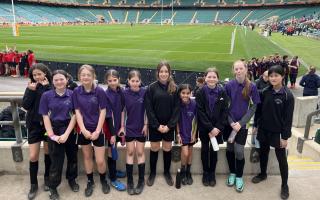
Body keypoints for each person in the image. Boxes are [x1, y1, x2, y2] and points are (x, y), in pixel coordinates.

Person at [252, 65, 294, 200]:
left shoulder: (288, 95)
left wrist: (285, 137)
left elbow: (288, 119)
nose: (273, 78)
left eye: (276, 75)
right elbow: (259, 110)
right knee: (263, 153)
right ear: (268, 77)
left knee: (282, 159)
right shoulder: (265, 91)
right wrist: (256, 124)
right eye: (271, 76)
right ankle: (263, 174)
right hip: (264, 129)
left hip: (278, 133)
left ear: (282, 76)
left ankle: (285, 185)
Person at [39, 70, 79, 200]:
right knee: (56, 161)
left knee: (72, 158)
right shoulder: (46, 96)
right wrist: (52, 136)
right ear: (52, 81)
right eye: (56, 80)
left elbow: (75, 116)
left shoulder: (73, 94)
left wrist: (67, 134)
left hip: (69, 130)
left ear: (67, 80)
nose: (59, 82)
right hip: (54, 129)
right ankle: (53, 187)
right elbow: (45, 117)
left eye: (61, 79)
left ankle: (71, 179)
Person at [72, 65, 110, 197]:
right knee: (87, 157)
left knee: (100, 160)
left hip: (98, 129)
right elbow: (77, 112)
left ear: (93, 76)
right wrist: (83, 130)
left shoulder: (99, 91)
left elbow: (103, 111)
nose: (85, 77)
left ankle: (103, 180)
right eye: (83, 75)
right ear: (79, 77)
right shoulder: (76, 91)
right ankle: (90, 181)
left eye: (88, 75)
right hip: (84, 130)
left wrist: (98, 130)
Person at [224, 60, 260, 192]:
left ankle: (239, 176)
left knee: (239, 151)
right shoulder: (228, 85)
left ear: (245, 70)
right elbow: (224, 107)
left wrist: (241, 123)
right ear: (233, 71)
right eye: (236, 69)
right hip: (230, 124)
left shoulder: (252, 86)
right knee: (229, 149)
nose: (238, 71)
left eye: (241, 68)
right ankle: (232, 173)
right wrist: (231, 122)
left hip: (242, 126)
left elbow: (253, 107)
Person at [145, 61, 180, 186]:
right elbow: (149, 109)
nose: (164, 74)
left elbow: (177, 109)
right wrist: (157, 125)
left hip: (169, 126)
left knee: (167, 149)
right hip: (155, 126)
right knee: (154, 149)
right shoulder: (151, 88)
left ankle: (166, 172)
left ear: (169, 73)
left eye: (166, 71)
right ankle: (152, 173)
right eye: (161, 71)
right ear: (157, 73)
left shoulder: (175, 88)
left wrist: (169, 126)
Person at [22, 63, 52, 200]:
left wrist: (45, 88)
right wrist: (30, 91)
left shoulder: (50, 87)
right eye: (34, 75)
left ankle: (47, 179)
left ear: (45, 74)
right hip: (34, 125)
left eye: (39, 74)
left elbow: (51, 103)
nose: (37, 77)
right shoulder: (31, 87)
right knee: (33, 156)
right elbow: (26, 105)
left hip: (48, 126)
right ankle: (33, 184)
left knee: (48, 154)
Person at [196, 68, 229, 187]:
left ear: (217, 78)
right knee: (205, 149)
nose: (211, 79)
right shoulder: (200, 92)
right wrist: (210, 128)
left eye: (214, 77)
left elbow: (225, 111)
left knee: (214, 150)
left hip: (217, 129)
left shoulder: (222, 91)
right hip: (205, 128)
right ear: (205, 78)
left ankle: (212, 173)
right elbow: (200, 111)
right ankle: (205, 172)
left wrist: (218, 128)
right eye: (209, 76)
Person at [122, 70, 148, 195]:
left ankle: (141, 181)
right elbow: (122, 111)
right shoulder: (124, 93)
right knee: (130, 152)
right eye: (132, 81)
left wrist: (146, 124)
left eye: (137, 81)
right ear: (128, 81)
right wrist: (122, 126)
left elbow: (148, 109)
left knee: (140, 152)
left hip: (141, 127)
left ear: (140, 81)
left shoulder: (144, 92)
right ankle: (130, 181)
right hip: (129, 127)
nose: (135, 83)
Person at [104, 69, 127, 191]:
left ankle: (113, 172)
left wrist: (122, 126)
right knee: (111, 152)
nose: (112, 83)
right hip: (110, 129)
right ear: (106, 81)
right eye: (110, 81)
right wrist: (112, 134)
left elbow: (122, 109)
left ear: (119, 80)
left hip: (118, 127)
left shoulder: (121, 91)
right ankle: (113, 179)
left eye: (115, 80)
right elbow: (108, 116)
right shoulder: (105, 94)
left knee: (115, 149)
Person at [177, 84, 198, 186]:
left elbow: (196, 120)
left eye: (188, 93)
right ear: (180, 93)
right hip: (182, 133)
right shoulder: (177, 104)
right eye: (183, 93)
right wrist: (178, 134)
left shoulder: (194, 104)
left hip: (191, 133)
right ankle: (183, 171)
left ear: (191, 93)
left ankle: (188, 172)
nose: (185, 95)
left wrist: (194, 134)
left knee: (190, 152)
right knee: (185, 153)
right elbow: (176, 121)